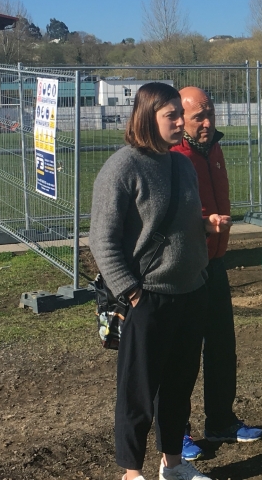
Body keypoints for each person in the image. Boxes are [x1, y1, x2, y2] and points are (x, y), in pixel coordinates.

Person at [90, 82, 232, 480]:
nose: (179, 121)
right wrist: (131, 292)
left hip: (191, 292)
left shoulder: (181, 163)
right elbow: (101, 238)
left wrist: (206, 224)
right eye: (171, 115)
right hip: (147, 298)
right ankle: (132, 472)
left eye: (178, 114)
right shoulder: (123, 167)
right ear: (147, 118)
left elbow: (181, 221)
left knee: (179, 386)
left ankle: (172, 463)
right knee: (138, 391)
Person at [171, 86, 262, 461]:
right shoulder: (173, 156)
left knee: (223, 347)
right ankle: (176, 435)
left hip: (216, 263)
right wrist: (200, 225)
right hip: (184, 270)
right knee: (182, 355)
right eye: (199, 117)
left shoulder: (215, 149)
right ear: (181, 119)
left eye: (211, 114)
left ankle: (221, 420)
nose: (207, 123)